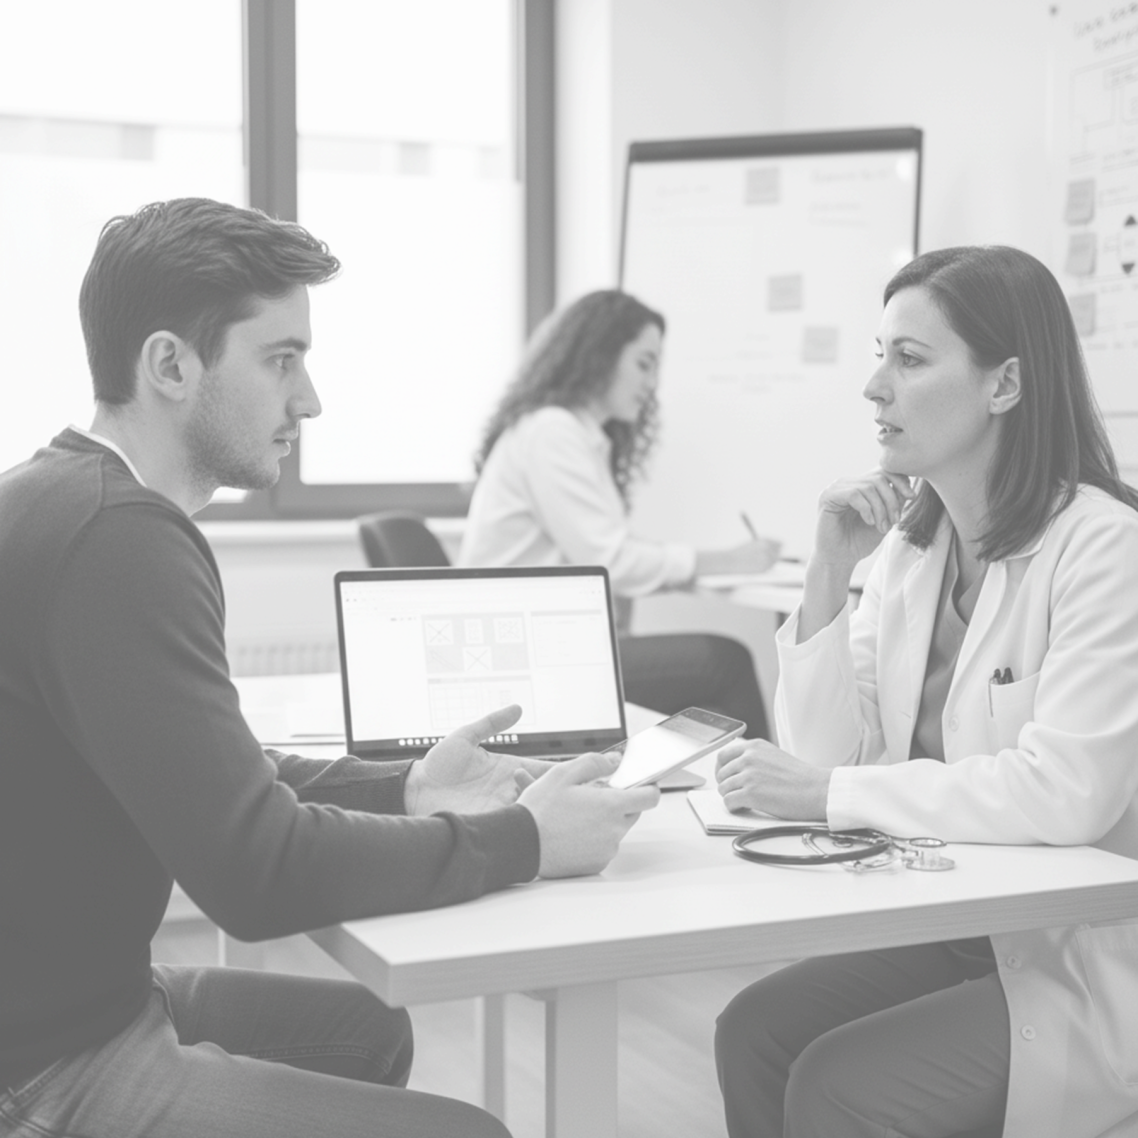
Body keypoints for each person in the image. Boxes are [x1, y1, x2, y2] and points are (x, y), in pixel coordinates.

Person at [0, 198, 659, 1138]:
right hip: (45, 1063)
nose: (308, 399)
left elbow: (230, 779)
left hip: (79, 998)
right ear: (169, 366)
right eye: (281, 359)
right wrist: (525, 840)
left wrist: (413, 788)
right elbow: (255, 871)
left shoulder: (67, 498)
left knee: (366, 1032)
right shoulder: (117, 541)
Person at [712, 245, 1138, 1138]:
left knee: (835, 1083)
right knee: (753, 1031)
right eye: (880, 354)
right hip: (961, 922)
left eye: (908, 359)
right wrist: (829, 570)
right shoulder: (912, 549)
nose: (874, 387)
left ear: (1005, 385)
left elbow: (1068, 795)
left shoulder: (1108, 548)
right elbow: (827, 754)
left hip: (1085, 957)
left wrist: (824, 793)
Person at [460, 289, 782, 736]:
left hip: (542, 646)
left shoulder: (571, 434)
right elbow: (612, 561)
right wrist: (729, 560)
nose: (652, 384)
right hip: (527, 659)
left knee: (709, 696)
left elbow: (608, 552)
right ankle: (769, 797)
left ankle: (722, 794)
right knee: (725, 662)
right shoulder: (552, 433)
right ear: (600, 355)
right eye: (644, 364)